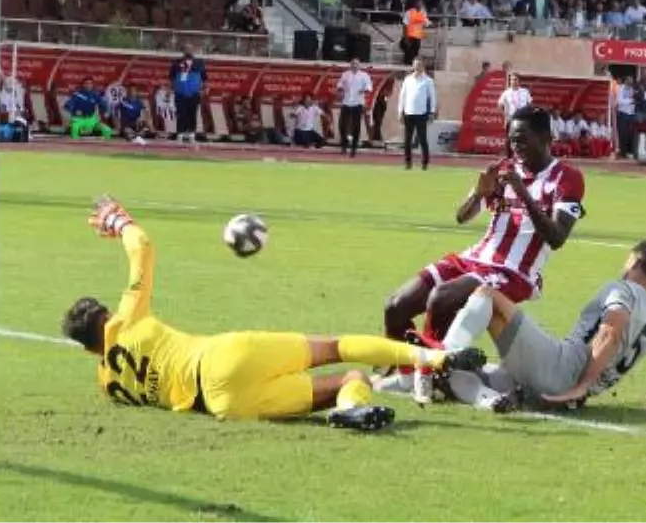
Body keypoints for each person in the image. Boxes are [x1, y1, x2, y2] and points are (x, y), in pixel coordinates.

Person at [62, 198, 486, 429]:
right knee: (338, 349)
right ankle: (435, 358)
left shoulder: (109, 385)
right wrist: (118, 222)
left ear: (86, 350)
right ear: (106, 317)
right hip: (224, 357)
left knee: (351, 382)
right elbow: (143, 249)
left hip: (222, 405)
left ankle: (345, 408)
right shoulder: (128, 318)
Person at [380, 105, 585, 401]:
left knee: (441, 297)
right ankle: (408, 374)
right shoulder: (503, 168)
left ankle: (433, 374)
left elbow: (557, 238)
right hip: (474, 258)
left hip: (513, 272)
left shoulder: (566, 177)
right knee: (395, 306)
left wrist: (524, 194)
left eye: (523, 139)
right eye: (512, 140)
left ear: (545, 137)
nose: (516, 146)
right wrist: (479, 192)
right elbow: (462, 217)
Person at [442, 240, 646, 413]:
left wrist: (581, 385)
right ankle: (495, 400)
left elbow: (610, 332)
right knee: (468, 374)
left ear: (636, 261)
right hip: (565, 393)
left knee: (488, 294)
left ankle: (443, 353)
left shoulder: (622, 289)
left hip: (561, 370)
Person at [398, 57, 436, 170]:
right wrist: (400, 111)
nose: (418, 67)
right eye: (416, 65)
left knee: (422, 139)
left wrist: (432, 112)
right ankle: (407, 162)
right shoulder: (407, 79)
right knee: (407, 139)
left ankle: (425, 163)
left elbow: (432, 97)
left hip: (421, 113)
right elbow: (402, 96)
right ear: (413, 66)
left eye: (420, 65)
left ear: (423, 67)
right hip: (408, 112)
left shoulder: (428, 81)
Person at [169, 46, 207, 145]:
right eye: (186, 49)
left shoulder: (199, 63)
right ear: (183, 51)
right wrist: (173, 89)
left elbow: (204, 78)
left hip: (194, 94)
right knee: (181, 114)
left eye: (190, 49)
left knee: (192, 114)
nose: (188, 51)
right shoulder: (176, 63)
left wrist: (203, 90)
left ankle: (191, 135)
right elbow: (171, 78)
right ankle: (180, 135)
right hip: (180, 94)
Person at [336, 59, 372, 158]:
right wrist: (340, 90)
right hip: (346, 102)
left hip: (358, 103)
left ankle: (353, 149)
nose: (354, 66)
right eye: (353, 64)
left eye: (356, 64)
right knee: (343, 125)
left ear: (359, 65)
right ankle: (344, 146)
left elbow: (369, 87)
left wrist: (364, 90)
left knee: (356, 127)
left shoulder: (364, 75)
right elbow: (339, 84)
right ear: (350, 65)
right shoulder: (345, 74)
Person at [498, 72, 532, 156]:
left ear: (519, 81)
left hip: (522, 119)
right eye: (512, 80)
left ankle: (522, 156)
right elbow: (500, 104)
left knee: (523, 138)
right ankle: (509, 157)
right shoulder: (506, 93)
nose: (513, 81)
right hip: (511, 118)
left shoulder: (525, 91)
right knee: (509, 138)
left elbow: (529, 104)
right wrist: (505, 114)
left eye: (515, 80)